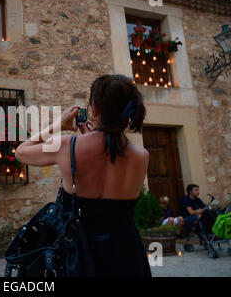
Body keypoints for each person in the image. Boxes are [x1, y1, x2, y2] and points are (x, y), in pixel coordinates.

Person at [15, 74, 151, 277]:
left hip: (80, 255)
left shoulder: (67, 145)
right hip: (126, 253)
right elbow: (109, 158)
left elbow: (21, 152)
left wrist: (58, 125)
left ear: (95, 109)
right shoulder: (142, 157)